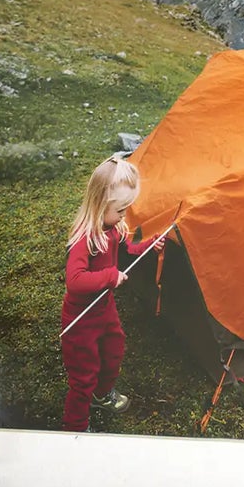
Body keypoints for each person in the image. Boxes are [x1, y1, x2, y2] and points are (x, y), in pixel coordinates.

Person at [59, 156, 164, 431]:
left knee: (115, 348)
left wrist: (150, 244)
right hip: (80, 319)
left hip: (104, 309)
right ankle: (75, 428)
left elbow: (127, 253)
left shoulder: (113, 228)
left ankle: (101, 394)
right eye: (120, 210)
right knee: (84, 375)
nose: (124, 216)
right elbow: (75, 281)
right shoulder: (85, 239)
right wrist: (110, 277)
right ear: (99, 204)